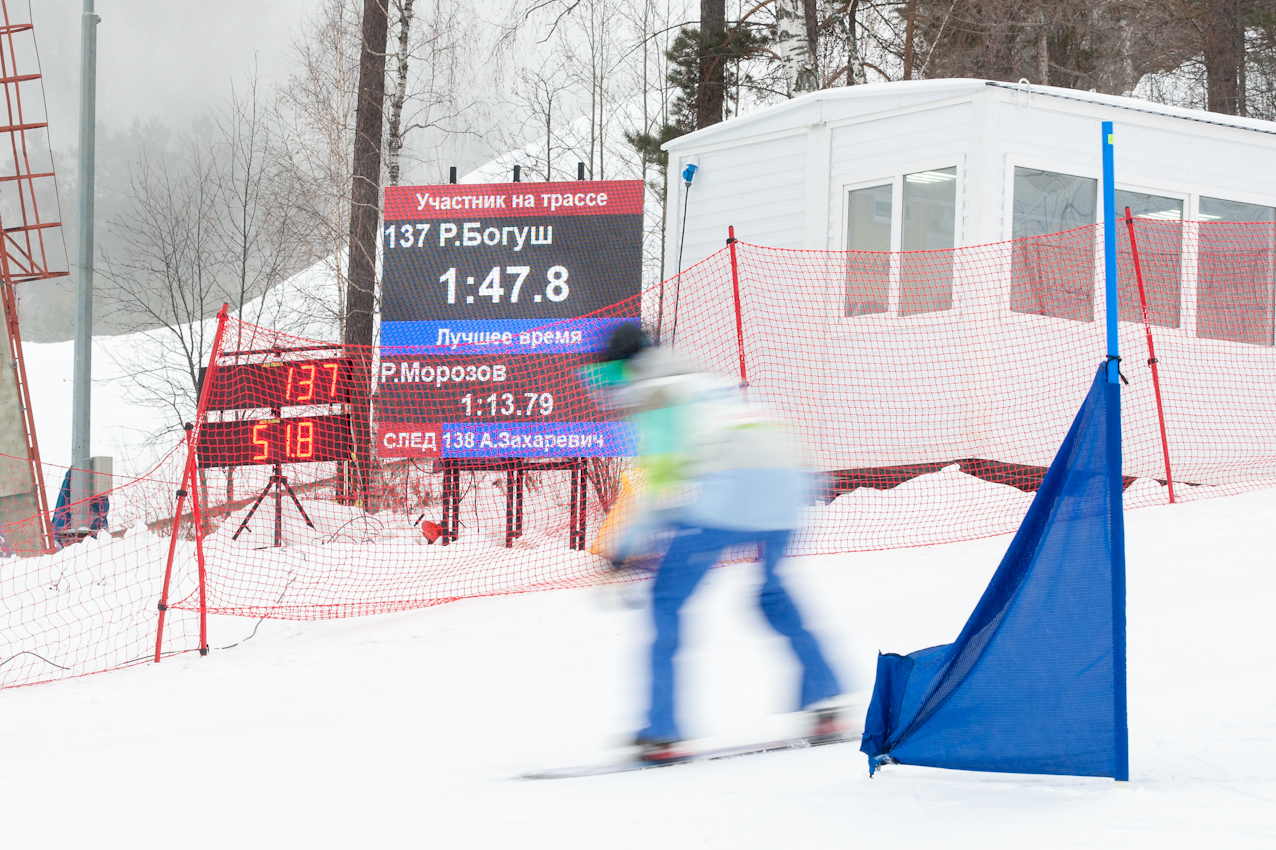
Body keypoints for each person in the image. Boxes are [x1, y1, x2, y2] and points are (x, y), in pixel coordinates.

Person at [585, 323, 843, 762]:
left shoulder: (656, 394)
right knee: (773, 594)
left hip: (733, 494)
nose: (610, 396)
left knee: (666, 602)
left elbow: (658, 489)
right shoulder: (704, 380)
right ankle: (826, 701)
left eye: (609, 380)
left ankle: (661, 731)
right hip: (789, 492)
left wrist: (622, 552)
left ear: (625, 369)